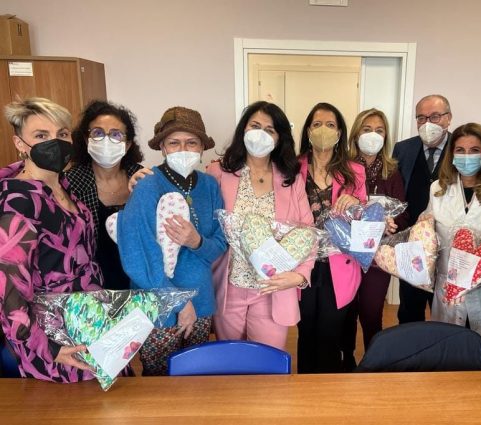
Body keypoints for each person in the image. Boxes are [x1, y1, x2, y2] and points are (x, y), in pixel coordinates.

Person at [117, 106, 226, 375]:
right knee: (159, 380)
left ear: (202, 147)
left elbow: (220, 245)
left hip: (201, 302)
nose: (183, 149)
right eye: (174, 143)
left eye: (192, 142)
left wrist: (196, 241)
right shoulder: (147, 186)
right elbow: (137, 257)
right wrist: (178, 302)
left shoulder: (209, 186)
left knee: (196, 375)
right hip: (159, 308)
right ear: (163, 147)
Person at [0, 97, 102, 381]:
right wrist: (49, 349)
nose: (55, 143)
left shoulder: (64, 187)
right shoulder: (18, 200)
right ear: (20, 143)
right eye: (41, 135)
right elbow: (8, 290)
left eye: (62, 134)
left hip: (87, 319)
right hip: (53, 337)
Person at [206, 101, 313, 350]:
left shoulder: (291, 179)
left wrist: (300, 275)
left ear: (279, 138)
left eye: (269, 130)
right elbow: (199, 215)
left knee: (267, 364)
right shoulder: (218, 172)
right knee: (230, 361)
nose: (260, 134)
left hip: (272, 291)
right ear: (243, 129)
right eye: (255, 126)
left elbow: (308, 232)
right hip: (229, 288)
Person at [424, 123, 481, 369]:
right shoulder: (438, 188)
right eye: (460, 150)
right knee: (447, 349)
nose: (466, 156)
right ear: (451, 154)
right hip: (446, 283)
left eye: (474, 150)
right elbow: (428, 227)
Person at [297, 102, 367, 373]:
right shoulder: (292, 168)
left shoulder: (354, 171)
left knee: (330, 333)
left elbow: (366, 221)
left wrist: (357, 204)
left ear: (339, 133)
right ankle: (304, 388)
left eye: (330, 125)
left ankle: (328, 392)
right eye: (317, 124)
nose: (323, 130)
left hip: (339, 265)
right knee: (306, 331)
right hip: (302, 263)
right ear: (308, 131)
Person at [340, 108, 407, 369]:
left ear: (386, 136)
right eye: (367, 129)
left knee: (371, 312)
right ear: (356, 134)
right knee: (346, 312)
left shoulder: (392, 172)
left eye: (379, 131)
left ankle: (374, 362)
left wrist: (391, 223)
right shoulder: (342, 168)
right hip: (345, 255)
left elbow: (403, 213)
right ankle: (346, 360)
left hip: (378, 255)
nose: (373, 135)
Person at [66, 100, 144, 290]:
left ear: (127, 144)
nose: (106, 140)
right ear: (87, 140)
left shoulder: (142, 179)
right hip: (91, 287)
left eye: (116, 134)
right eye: (98, 133)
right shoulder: (69, 183)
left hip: (141, 283)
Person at [393, 94, 453, 324]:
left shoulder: (462, 148)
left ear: (448, 118)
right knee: (409, 309)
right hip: (412, 244)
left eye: (435, 116)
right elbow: (395, 195)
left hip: (449, 246)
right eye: (421, 118)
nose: (427, 123)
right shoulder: (403, 149)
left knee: (446, 310)